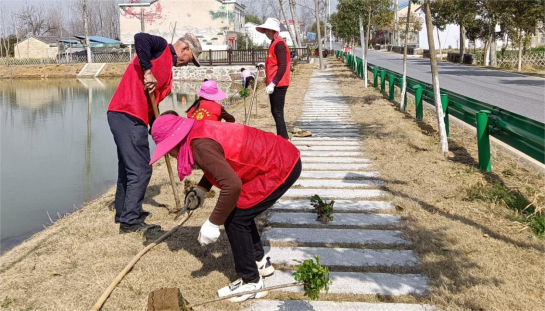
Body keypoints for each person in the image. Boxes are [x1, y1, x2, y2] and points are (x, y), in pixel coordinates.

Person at [149, 114, 301, 302]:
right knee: (241, 212)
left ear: (175, 141)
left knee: (235, 218)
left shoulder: (199, 147)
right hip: (282, 156)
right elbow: (217, 162)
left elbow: (232, 185)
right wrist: (202, 189)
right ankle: (259, 262)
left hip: (279, 165)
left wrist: (213, 223)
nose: (170, 155)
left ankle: (251, 283)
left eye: (168, 151)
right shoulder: (197, 132)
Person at [107, 32, 202, 234]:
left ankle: (123, 213)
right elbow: (140, 37)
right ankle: (130, 222)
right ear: (184, 49)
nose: (187, 64)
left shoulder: (168, 70)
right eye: (190, 60)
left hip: (130, 116)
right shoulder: (160, 48)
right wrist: (147, 71)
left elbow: (153, 107)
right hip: (127, 113)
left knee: (128, 168)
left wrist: (159, 132)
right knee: (141, 170)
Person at [256, 18, 291, 139]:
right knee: (275, 111)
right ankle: (283, 137)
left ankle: (283, 139)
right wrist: (263, 64)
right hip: (275, 83)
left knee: (277, 112)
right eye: (265, 30)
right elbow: (274, 62)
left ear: (274, 31)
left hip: (279, 84)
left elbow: (282, 66)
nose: (266, 33)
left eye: (268, 31)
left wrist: (273, 83)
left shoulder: (279, 44)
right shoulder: (274, 43)